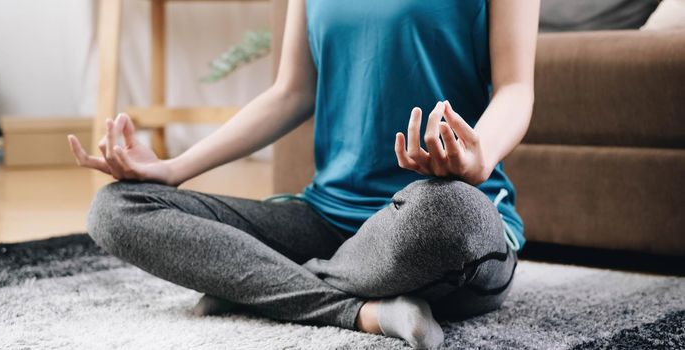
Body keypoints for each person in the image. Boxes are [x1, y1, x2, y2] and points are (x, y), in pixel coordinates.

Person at [67, 1, 539, 348]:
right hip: (326, 223)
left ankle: (259, 285)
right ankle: (361, 312)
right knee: (117, 207)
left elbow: (516, 88)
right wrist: (171, 170)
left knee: (450, 215)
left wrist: (479, 159)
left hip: (434, 219)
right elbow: (290, 92)